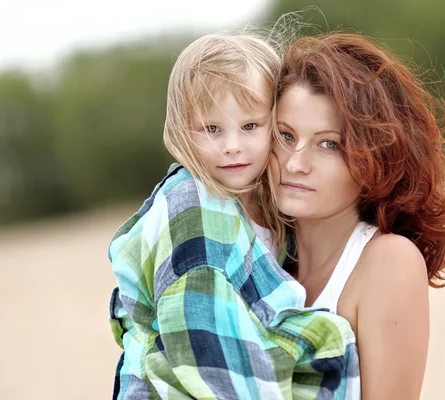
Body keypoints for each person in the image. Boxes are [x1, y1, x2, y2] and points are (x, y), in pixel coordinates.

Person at [109, 30, 360, 399]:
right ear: (183, 129)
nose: (232, 146)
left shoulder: (270, 201)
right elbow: (198, 326)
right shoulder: (192, 206)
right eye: (211, 129)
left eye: (250, 126)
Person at [271, 32, 445, 399]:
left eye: (328, 144)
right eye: (285, 136)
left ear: (373, 158)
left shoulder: (387, 261)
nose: (295, 163)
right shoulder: (257, 257)